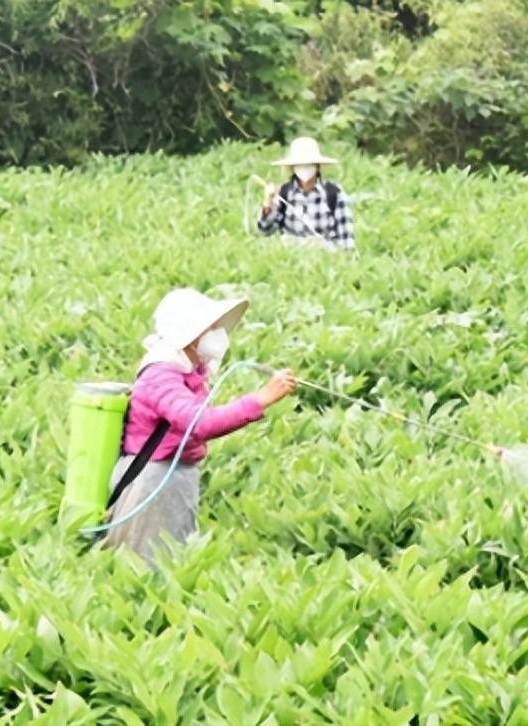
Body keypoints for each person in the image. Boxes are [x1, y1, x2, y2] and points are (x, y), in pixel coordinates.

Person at [101, 288, 297, 564]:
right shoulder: (160, 374)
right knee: (147, 563)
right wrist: (261, 399)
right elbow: (199, 423)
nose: (216, 334)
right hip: (152, 477)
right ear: (188, 333)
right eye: (210, 328)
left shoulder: (188, 370)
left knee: (174, 557)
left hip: (176, 472)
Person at [257, 137, 357, 251]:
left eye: (309, 164)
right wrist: (268, 202)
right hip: (291, 256)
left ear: (317, 166)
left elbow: (347, 240)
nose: (304, 168)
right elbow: (265, 230)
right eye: (300, 165)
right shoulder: (284, 193)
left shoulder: (334, 193)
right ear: (293, 168)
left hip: (326, 257)